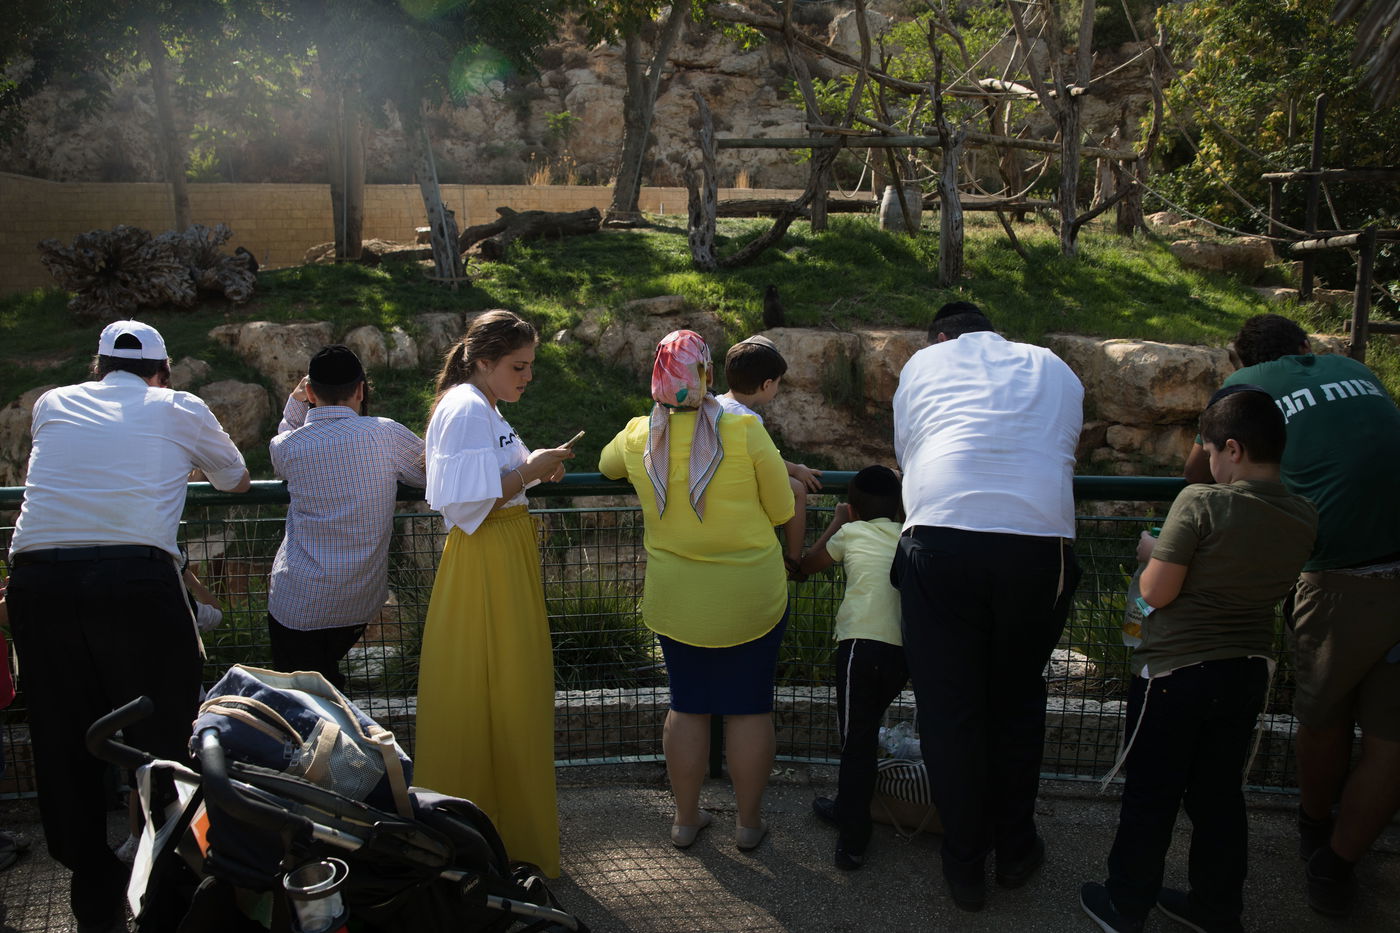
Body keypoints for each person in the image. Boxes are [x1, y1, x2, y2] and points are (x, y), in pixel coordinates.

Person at [5, 319, 250, 932]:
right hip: (134, 583)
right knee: (163, 744)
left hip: (39, 582)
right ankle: (165, 900)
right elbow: (235, 478)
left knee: (63, 742)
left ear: (98, 367)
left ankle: (93, 893)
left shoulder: (52, 403)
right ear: (160, 373)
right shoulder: (179, 406)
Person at [1183, 313, 1400, 917]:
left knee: (1324, 716)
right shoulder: (1357, 369)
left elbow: (1197, 472)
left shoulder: (1245, 385)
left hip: (1338, 570)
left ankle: (1313, 827)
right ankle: (1340, 864)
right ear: (1307, 345)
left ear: (1237, 359)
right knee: (1392, 741)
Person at [1080, 386, 1318, 933]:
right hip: (1247, 671)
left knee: (1151, 793)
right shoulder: (1304, 514)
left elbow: (1158, 594)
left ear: (1232, 449)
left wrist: (1152, 551)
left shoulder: (1202, 501)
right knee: (1218, 797)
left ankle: (1126, 905)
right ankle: (1216, 909)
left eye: (1210, 450)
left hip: (1175, 675)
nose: (1208, 462)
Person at [890, 300, 1083, 911]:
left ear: (942, 337)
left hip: (940, 537)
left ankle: (964, 864)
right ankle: (1017, 847)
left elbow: (907, 457)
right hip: (1037, 544)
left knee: (951, 712)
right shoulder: (1053, 365)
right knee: (1017, 700)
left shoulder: (924, 363)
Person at [600, 330, 793, 852]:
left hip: (678, 600)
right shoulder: (744, 431)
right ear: (707, 375)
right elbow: (781, 509)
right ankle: (748, 825)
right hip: (751, 596)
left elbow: (605, 466)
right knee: (750, 707)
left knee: (687, 706)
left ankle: (686, 821)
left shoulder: (640, 434)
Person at [413, 310, 574, 878]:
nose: (527, 376)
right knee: (496, 689)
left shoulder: (483, 407)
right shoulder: (464, 408)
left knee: (511, 691)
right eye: (518, 366)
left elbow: (489, 486)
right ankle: (481, 839)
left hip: (502, 556)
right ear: (483, 361)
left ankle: (504, 837)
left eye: (529, 365)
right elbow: (461, 501)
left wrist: (534, 468)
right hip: (487, 559)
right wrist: (532, 471)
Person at [267, 345, 426, 691]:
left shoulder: (287, 447)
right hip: (358, 603)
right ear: (360, 390)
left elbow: (283, 438)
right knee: (330, 689)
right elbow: (428, 474)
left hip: (297, 604)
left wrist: (295, 403)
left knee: (300, 702)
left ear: (310, 392)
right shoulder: (386, 433)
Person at [800, 465, 907, 871]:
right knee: (868, 726)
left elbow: (806, 567)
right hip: (902, 650)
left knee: (856, 742)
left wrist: (836, 522)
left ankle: (853, 835)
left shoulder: (851, 532)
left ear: (855, 508)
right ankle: (849, 806)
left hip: (860, 647)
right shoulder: (908, 534)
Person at [717, 335, 823, 572]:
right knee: (796, 489)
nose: (777, 388)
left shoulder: (716, 404)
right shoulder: (749, 419)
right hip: (739, 478)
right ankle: (794, 559)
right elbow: (768, 459)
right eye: (778, 383)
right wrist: (797, 470)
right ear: (766, 384)